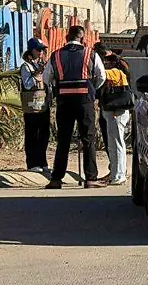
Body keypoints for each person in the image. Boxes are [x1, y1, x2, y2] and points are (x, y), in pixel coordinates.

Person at [41, 26, 106, 189]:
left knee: (63, 140)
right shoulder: (90, 53)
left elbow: (46, 78)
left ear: (66, 38)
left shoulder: (56, 55)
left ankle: (56, 178)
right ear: (83, 39)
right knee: (88, 138)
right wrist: (92, 90)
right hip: (85, 100)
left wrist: (58, 87)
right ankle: (90, 178)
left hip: (64, 101)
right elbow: (101, 76)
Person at [98, 50, 134, 185]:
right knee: (113, 144)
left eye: (107, 60)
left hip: (116, 111)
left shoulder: (115, 72)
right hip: (113, 111)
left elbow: (99, 75)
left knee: (117, 143)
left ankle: (119, 174)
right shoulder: (118, 72)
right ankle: (115, 173)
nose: (104, 63)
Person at [18, 39, 51, 175]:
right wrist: (38, 73)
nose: (41, 52)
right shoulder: (26, 67)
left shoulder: (42, 65)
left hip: (43, 105)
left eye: (42, 50)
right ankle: (32, 162)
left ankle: (43, 161)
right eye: (38, 50)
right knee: (32, 133)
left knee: (44, 134)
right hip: (31, 106)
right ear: (32, 50)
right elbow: (27, 84)